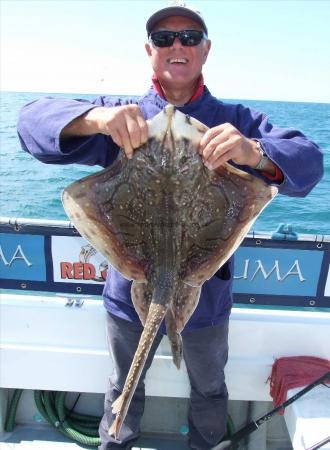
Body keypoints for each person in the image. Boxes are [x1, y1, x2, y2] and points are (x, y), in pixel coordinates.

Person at [17, 2, 323, 449]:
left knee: (209, 389)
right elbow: (30, 124)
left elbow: (309, 163)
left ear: (205, 49)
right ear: (150, 50)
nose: (176, 45)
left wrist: (253, 152)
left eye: (189, 37)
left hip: (207, 294)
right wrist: (95, 121)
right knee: (123, 387)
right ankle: (115, 443)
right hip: (129, 288)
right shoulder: (123, 119)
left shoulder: (235, 121)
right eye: (164, 38)